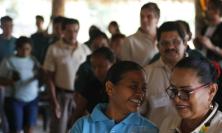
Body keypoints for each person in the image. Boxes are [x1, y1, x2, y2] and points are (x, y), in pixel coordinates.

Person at [140, 21, 203, 128]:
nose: (170, 47)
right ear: (158, 46)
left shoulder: (199, 71)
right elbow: (138, 112)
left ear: (185, 43)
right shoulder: (146, 74)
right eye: (164, 43)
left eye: (175, 42)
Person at [70, 61, 158, 133]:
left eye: (144, 88)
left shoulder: (149, 129)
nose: (140, 93)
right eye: (133, 86)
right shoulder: (83, 126)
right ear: (110, 88)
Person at [43, 17, 91, 133]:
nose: (73, 34)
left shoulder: (85, 50)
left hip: (80, 98)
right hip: (62, 96)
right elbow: (49, 78)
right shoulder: (54, 49)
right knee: (59, 129)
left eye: (75, 31)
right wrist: (54, 101)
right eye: (69, 31)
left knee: (79, 129)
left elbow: (90, 76)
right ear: (62, 31)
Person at [160, 57, 222, 133]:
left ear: (211, 91)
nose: (176, 99)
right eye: (174, 90)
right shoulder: (168, 123)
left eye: (186, 91)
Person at [0, 36, 41, 133]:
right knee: (16, 129)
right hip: (14, 100)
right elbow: (0, 80)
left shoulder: (33, 60)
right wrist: (11, 81)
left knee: (30, 128)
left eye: (28, 49)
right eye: (22, 48)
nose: (25, 51)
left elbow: (41, 73)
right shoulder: (8, 61)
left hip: (32, 99)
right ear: (17, 48)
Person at [68, 47, 116, 128]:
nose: (97, 71)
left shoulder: (120, 86)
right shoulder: (91, 85)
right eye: (94, 67)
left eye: (101, 66)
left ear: (113, 63)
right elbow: (78, 111)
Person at [119, 2, 159, 66]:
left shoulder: (164, 38)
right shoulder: (129, 41)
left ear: (157, 19)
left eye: (149, 16)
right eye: (142, 16)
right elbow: (126, 69)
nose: (144, 20)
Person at [0, 15, 16, 133]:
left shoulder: (17, 42)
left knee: (11, 107)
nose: (8, 28)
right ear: (1, 26)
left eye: (10, 26)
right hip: (1, 80)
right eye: (5, 26)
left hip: (13, 81)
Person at [194, 0, 222, 65]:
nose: (206, 10)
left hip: (218, 67)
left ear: (216, 11)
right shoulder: (205, 28)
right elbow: (202, 49)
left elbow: (210, 47)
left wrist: (212, 46)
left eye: (209, 8)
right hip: (204, 63)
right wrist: (197, 44)